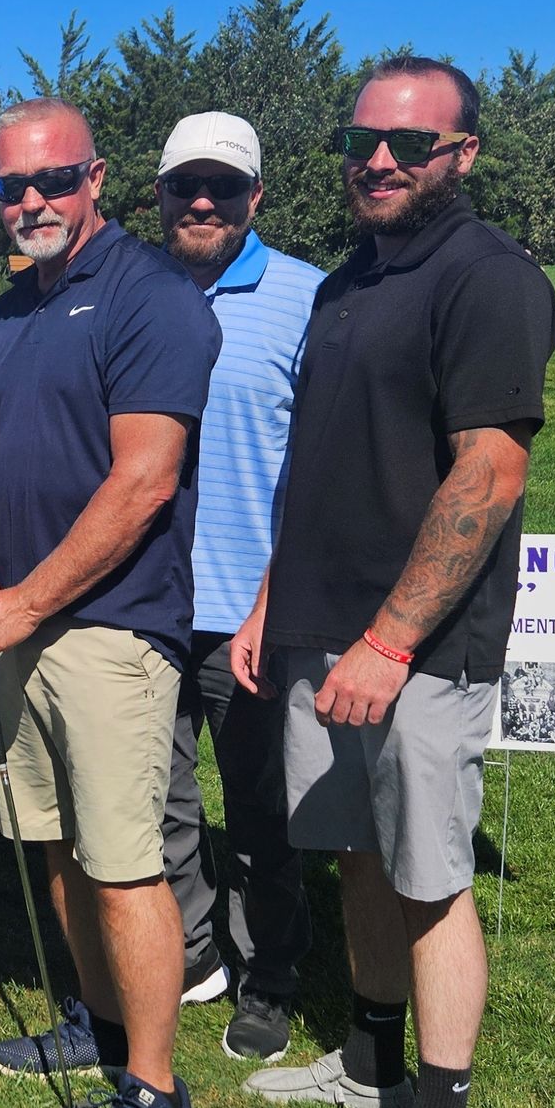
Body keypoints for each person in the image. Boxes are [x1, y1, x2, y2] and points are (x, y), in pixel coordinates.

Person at [232, 56, 555, 1108]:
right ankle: (370, 1059)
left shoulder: (487, 279)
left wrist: (388, 638)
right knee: (359, 857)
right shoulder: (349, 283)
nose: (377, 159)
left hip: (417, 648)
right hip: (322, 631)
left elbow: (490, 469)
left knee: (428, 878)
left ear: (462, 154)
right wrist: (278, 598)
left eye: (408, 145)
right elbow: (316, 468)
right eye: (360, 138)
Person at [0, 98, 221, 1108]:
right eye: (13, 185)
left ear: (97, 179)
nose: (34, 200)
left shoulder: (153, 298)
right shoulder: (0, 319)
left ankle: (156, 1093)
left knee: (122, 860)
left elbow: (143, 479)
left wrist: (24, 602)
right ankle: (95, 1023)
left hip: (108, 631)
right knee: (55, 842)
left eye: (54, 180)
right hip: (13, 625)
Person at [154, 112, 324, 1059]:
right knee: (157, 799)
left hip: (251, 609)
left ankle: (270, 973)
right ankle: (190, 951)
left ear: (256, 195)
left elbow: (318, 471)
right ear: (163, 195)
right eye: (186, 186)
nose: (204, 201)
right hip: (140, 602)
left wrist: (273, 603)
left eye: (223, 185)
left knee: (263, 810)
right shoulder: (131, 287)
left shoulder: (306, 297)